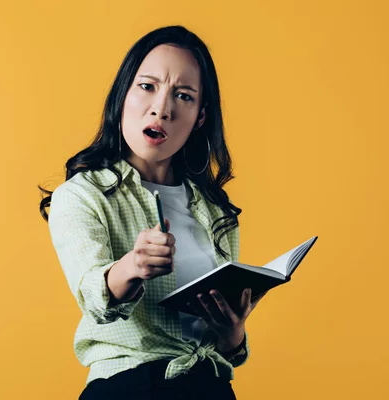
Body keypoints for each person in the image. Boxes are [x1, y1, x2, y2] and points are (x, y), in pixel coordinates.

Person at [39, 25, 265, 400]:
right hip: (129, 387)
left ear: (201, 117)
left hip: (210, 389)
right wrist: (132, 266)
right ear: (123, 95)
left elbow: (223, 349)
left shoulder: (215, 210)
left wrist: (232, 334)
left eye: (183, 95)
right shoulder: (83, 195)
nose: (162, 107)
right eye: (147, 86)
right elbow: (95, 299)